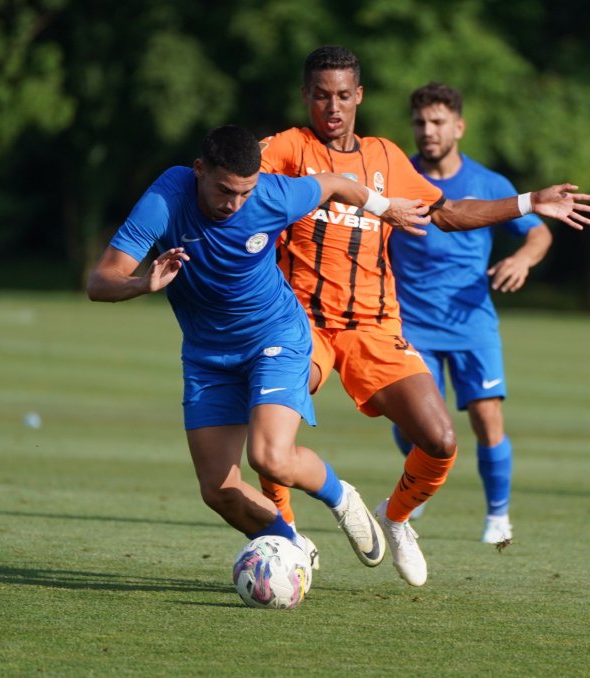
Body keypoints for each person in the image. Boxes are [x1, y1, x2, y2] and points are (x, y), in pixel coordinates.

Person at [257, 45, 590, 586]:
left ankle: (395, 518)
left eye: (344, 95)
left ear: (359, 96)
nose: (333, 107)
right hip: (301, 326)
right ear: (306, 97)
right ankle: (288, 538)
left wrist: (529, 202)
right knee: (269, 443)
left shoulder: (387, 158)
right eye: (321, 96)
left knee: (441, 440)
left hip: (375, 328)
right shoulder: (286, 148)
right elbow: (236, 183)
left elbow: (446, 212)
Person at [87, 125, 433, 575]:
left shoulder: (272, 195)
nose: (235, 203)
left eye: (245, 192)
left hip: (276, 337)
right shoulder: (167, 198)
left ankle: (340, 496)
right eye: (225, 190)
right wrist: (142, 283)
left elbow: (335, 183)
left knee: (269, 456)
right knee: (218, 491)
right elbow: (100, 282)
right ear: (199, 171)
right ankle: (292, 546)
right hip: (208, 356)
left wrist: (387, 209)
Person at [386, 82, 552, 547]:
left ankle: (498, 516)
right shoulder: (398, 176)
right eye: (420, 122)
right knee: (412, 424)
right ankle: (419, 486)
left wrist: (522, 259)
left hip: (472, 321)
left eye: (437, 122)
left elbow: (539, 234)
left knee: (486, 418)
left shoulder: (489, 183)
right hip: (410, 322)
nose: (427, 131)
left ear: (459, 126)